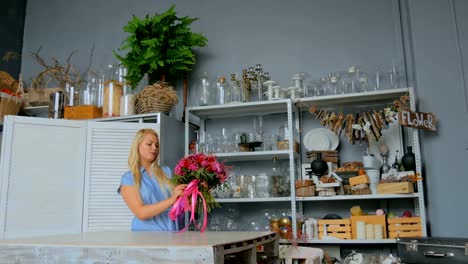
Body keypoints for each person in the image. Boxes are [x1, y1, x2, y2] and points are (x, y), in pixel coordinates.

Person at [119, 128, 187, 231]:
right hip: (146, 238)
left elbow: (181, 199)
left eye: (157, 145)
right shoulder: (128, 178)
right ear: (137, 145)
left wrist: (196, 189)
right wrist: (171, 200)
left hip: (173, 234)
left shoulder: (166, 172)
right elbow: (141, 213)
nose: (154, 148)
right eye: (149, 144)